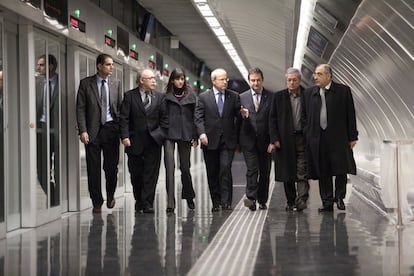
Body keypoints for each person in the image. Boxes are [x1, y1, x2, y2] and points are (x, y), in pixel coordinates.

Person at [301, 64, 358, 212]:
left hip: (338, 137)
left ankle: (339, 197)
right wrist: (308, 134)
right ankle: (326, 202)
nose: (315, 77)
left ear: (329, 75)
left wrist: (353, 136)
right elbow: (304, 116)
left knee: (340, 169)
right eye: (315, 74)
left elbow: (350, 115)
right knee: (323, 170)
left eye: (319, 74)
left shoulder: (343, 91)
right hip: (317, 138)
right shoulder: (309, 93)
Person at [76, 53, 122, 213]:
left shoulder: (116, 84)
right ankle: (96, 201)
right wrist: (83, 130)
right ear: (99, 66)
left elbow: (120, 108)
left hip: (111, 129)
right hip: (92, 131)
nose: (111, 67)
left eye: (112, 64)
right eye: (108, 64)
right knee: (93, 168)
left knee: (111, 167)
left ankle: (110, 194)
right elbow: (80, 109)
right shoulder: (86, 84)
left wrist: (122, 131)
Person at [119, 68, 168, 214]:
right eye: (151, 78)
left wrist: (161, 135)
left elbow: (165, 119)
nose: (154, 81)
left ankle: (147, 203)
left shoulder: (160, 97)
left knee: (151, 173)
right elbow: (124, 118)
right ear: (141, 80)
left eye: (154, 78)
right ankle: (139, 200)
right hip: (134, 141)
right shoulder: (130, 96)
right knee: (136, 173)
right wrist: (125, 136)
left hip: (154, 141)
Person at [194, 68, 241, 212]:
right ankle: (216, 201)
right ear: (214, 81)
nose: (225, 81)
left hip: (227, 140)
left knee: (225, 169)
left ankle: (226, 201)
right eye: (222, 79)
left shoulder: (233, 96)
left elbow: (238, 116)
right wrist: (201, 134)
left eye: (226, 79)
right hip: (210, 140)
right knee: (212, 172)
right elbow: (198, 118)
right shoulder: (203, 97)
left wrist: (243, 113)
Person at [269, 67, 309, 212]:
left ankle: (302, 199)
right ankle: (291, 201)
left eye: (294, 80)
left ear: (299, 80)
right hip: (284, 140)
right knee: (288, 172)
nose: (291, 83)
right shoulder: (278, 97)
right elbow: (272, 119)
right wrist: (275, 139)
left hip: (302, 138)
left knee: (302, 171)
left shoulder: (308, 95)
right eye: (289, 80)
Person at [163, 68, 198, 213]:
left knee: (185, 167)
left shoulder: (191, 96)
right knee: (169, 168)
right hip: (169, 135)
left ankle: (189, 195)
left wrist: (195, 136)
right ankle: (170, 203)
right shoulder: (165, 97)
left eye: (182, 79)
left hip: (186, 134)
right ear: (172, 80)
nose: (180, 81)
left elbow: (196, 117)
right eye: (177, 79)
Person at [239, 68, 273, 211]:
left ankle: (262, 199)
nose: (256, 83)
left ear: (262, 80)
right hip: (249, 141)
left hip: (266, 142)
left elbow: (273, 121)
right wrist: (245, 117)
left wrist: (273, 141)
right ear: (249, 81)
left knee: (265, 172)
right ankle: (251, 198)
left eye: (258, 80)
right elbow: (238, 122)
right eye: (253, 80)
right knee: (252, 170)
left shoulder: (270, 97)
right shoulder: (242, 97)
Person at [36, 54, 60, 206]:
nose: (38, 68)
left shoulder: (61, 83)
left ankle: (58, 199)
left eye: (41, 65)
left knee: (58, 169)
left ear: (51, 66)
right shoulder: (37, 84)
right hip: (41, 130)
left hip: (58, 130)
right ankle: (54, 197)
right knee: (42, 170)